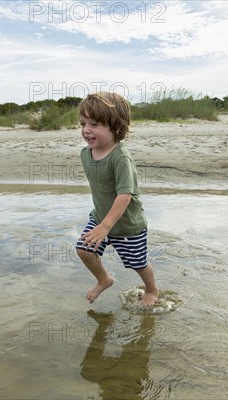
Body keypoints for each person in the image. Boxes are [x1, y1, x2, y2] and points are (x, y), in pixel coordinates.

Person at [75, 92, 159, 307]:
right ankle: (104, 279)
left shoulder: (120, 157)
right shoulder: (86, 154)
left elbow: (125, 195)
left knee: (137, 263)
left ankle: (152, 289)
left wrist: (105, 227)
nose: (86, 130)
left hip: (128, 225)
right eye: (83, 123)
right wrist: (101, 224)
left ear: (115, 126)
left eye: (94, 124)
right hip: (101, 218)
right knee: (84, 250)